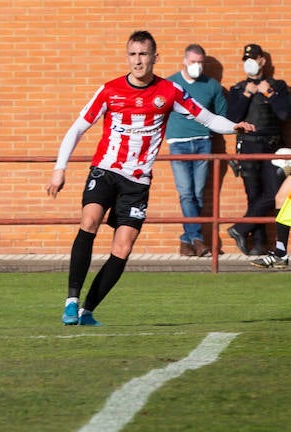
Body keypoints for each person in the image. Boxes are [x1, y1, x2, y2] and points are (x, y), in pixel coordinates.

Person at [47, 31, 255, 326]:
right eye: (133, 54)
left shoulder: (170, 91)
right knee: (89, 221)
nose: (138, 60)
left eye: (143, 54)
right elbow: (77, 129)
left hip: (138, 182)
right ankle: (71, 300)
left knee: (123, 247)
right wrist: (60, 168)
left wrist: (235, 127)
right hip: (106, 170)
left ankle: (87, 311)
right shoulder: (109, 90)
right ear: (127, 57)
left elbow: (207, 118)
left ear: (155, 58)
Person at [226, 43, 291, 257]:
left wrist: (269, 93)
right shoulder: (238, 88)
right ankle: (258, 243)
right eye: (246, 59)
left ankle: (240, 229)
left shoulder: (278, 86)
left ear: (263, 60)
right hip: (249, 146)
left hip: (273, 147)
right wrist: (246, 94)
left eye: (253, 58)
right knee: (253, 195)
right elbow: (232, 119)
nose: (250, 62)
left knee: (274, 194)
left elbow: (284, 114)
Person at [164, 44, 225, 257]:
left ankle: (186, 240)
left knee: (198, 194)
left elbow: (221, 114)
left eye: (200, 62)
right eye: (193, 62)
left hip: (203, 142)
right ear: (184, 61)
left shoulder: (212, 86)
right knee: (186, 193)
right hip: (178, 144)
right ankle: (197, 239)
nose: (196, 66)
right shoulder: (170, 83)